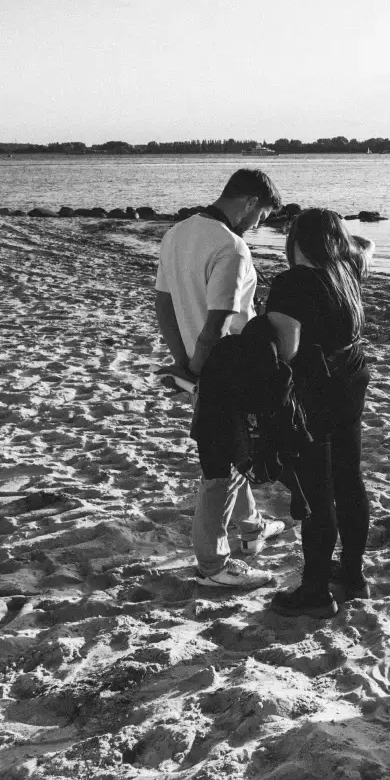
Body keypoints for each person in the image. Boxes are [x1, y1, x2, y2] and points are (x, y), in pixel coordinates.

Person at [154, 168, 286, 590]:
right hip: (227, 368)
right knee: (220, 468)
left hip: (200, 367)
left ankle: (251, 529)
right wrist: (196, 367)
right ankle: (214, 565)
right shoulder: (232, 247)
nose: (258, 225)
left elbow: (163, 305)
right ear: (249, 203)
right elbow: (218, 324)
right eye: (262, 215)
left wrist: (184, 363)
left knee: (235, 452)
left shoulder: (177, 233)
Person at [263, 209, 375, 618]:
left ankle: (314, 592)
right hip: (351, 377)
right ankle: (353, 575)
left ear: (295, 241)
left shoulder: (293, 283)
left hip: (316, 388)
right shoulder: (348, 270)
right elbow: (367, 247)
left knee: (316, 489)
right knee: (349, 477)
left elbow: (285, 350)